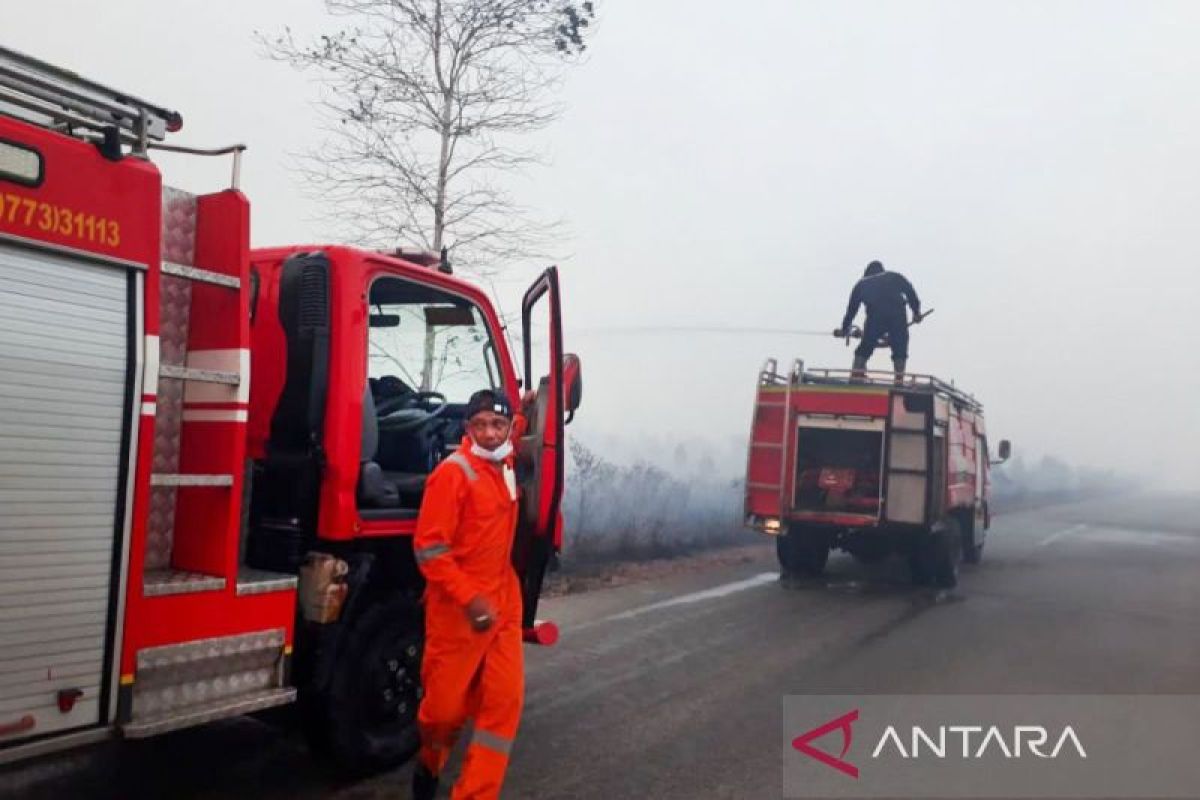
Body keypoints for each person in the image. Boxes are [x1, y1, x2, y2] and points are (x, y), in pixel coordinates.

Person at [412, 388, 528, 800]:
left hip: (504, 603)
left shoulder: (507, 460)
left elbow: (527, 423)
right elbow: (429, 550)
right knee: (443, 713)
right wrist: (469, 598)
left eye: (498, 424)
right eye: (480, 425)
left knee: (504, 701)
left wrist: (532, 402)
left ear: (511, 427)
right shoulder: (453, 474)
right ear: (468, 429)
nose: (490, 434)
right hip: (457, 609)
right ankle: (428, 763)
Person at [836, 260, 923, 380]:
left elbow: (851, 310)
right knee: (900, 346)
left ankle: (856, 374)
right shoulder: (894, 276)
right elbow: (910, 291)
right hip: (897, 316)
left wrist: (845, 329)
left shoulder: (861, 284)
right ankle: (899, 378)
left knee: (866, 345)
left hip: (875, 318)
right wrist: (916, 312)